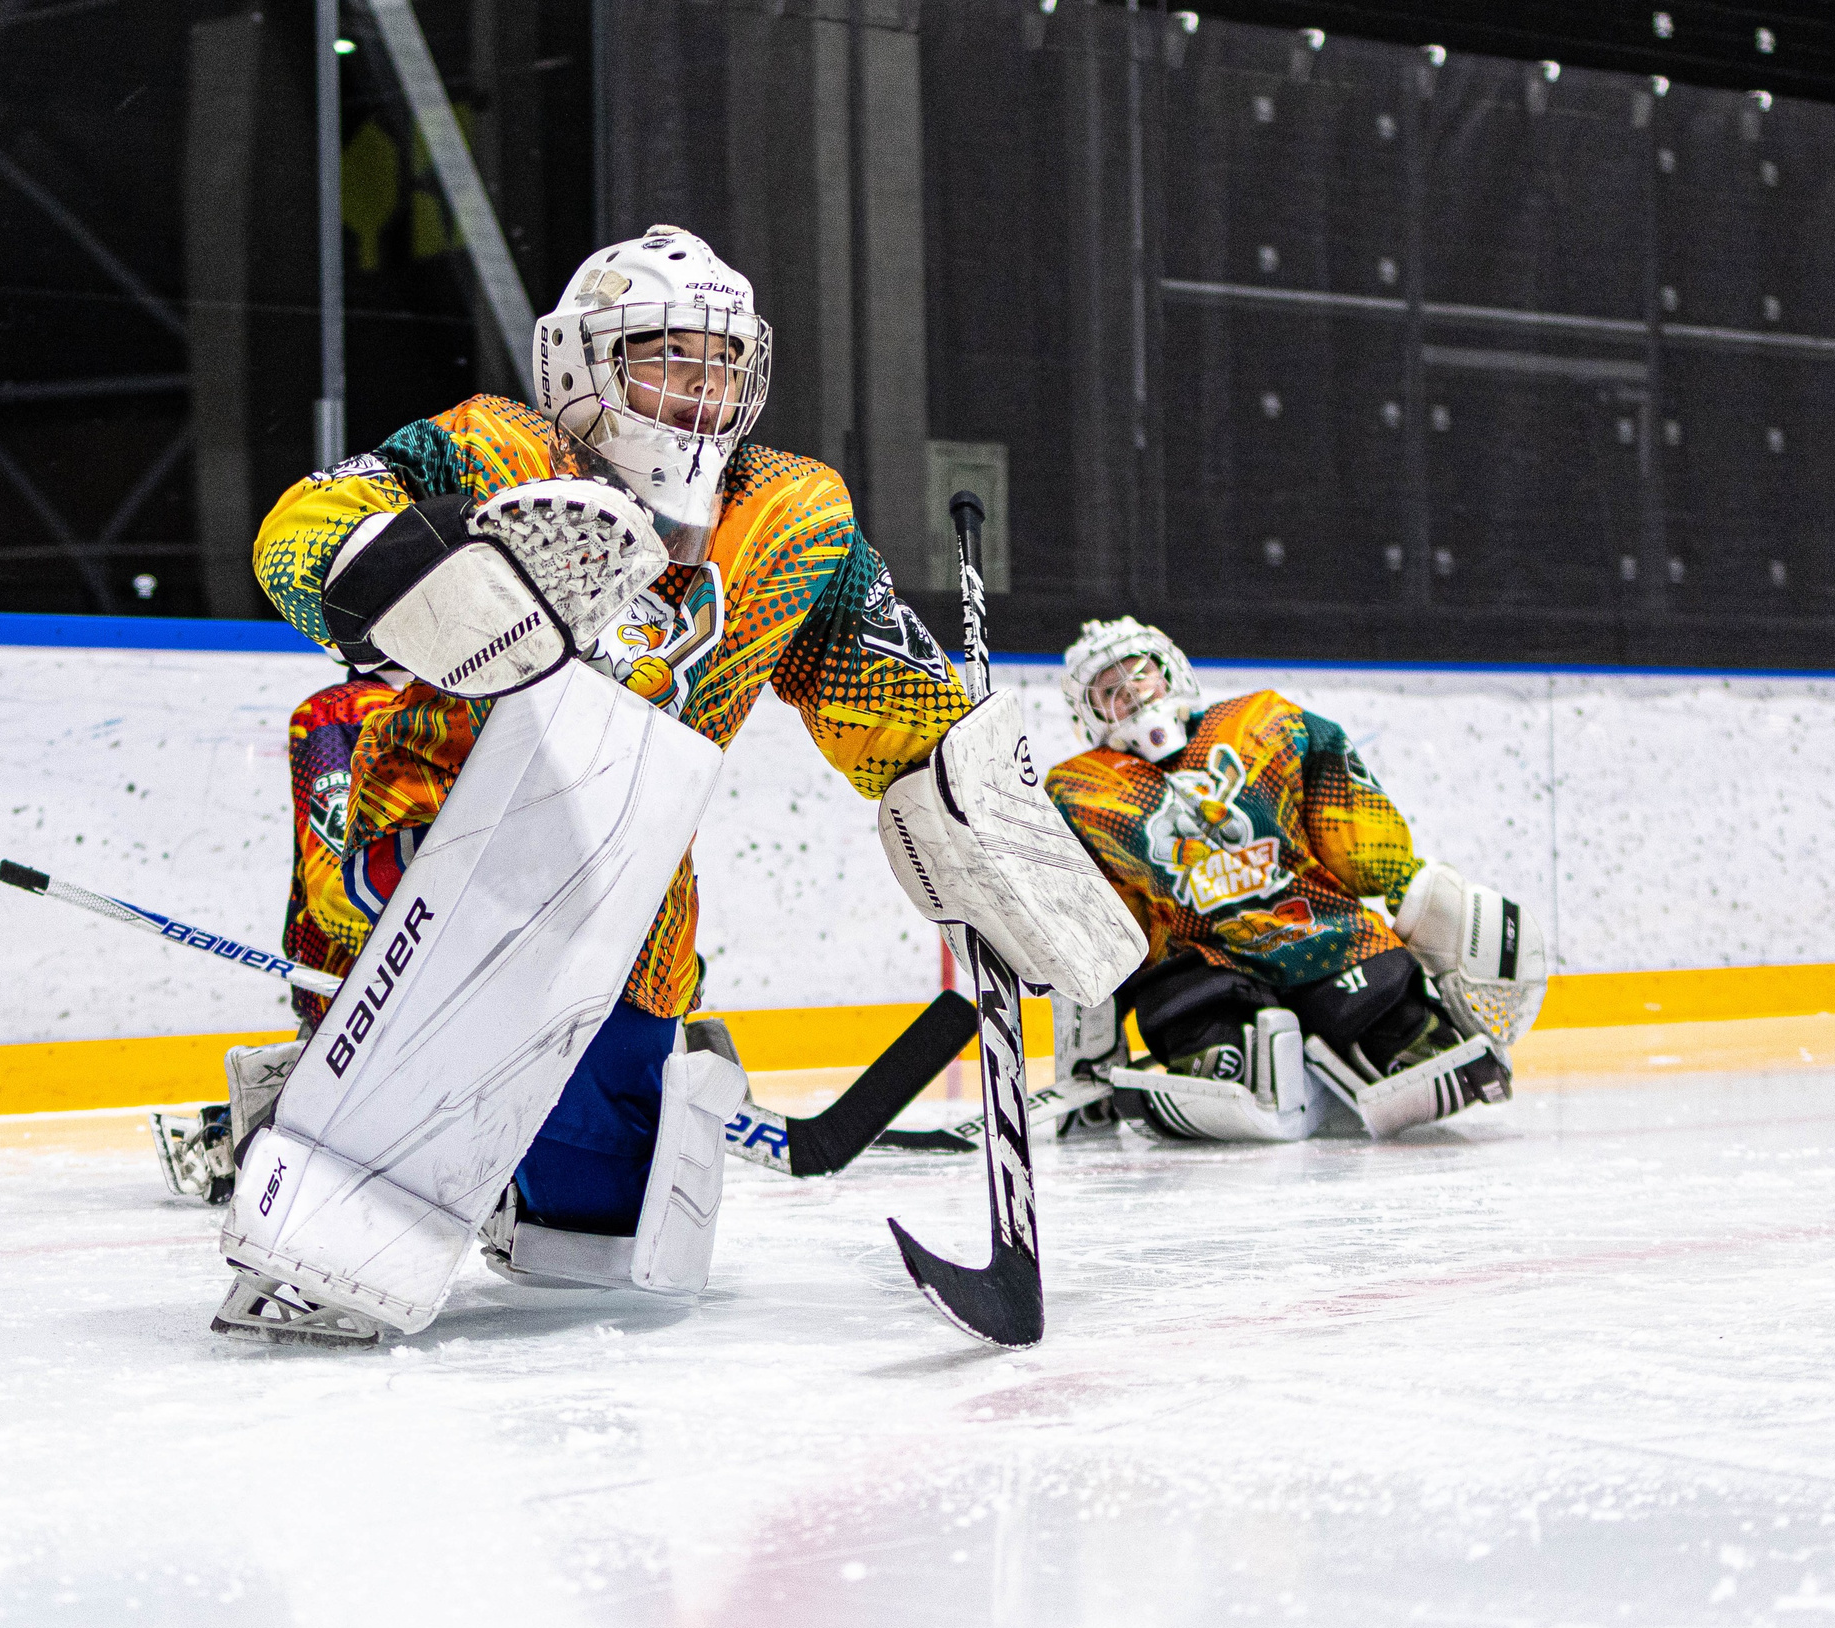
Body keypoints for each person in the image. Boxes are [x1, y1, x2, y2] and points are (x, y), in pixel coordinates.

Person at [205, 226, 1142, 1342]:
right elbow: (304, 524)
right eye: (666, 357)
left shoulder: (788, 518)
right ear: (579, 363)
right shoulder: (493, 447)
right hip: (434, 845)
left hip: (632, 904)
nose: (700, 389)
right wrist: (401, 566)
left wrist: (984, 817)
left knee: (601, 1238)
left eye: (722, 362)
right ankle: (319, 1124)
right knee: (372, 1180)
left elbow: (893, 704)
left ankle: (490, 1153)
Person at [1042, 617, 1547, 1143]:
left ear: (1170, 671)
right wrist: (1094, 1037)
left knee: (1391, 1019)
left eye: (1138, 673)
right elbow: (1105, 922)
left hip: (1320, 930)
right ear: (1089, 714)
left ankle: (1404, 1040)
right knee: (1202, 1032)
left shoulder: (1264, 722)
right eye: (1108, 690)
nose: (1129, 691)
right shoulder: (1081, 791)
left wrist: (1405, 885)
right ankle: (1221, 1061)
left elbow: (1350, 821)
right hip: (1201, 958)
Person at [150, 665, 413, 1206]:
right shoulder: (342, 713)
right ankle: (248, 1137)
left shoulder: (460, 703)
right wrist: (405, 948)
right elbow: (334, 886)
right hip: (363, 968)